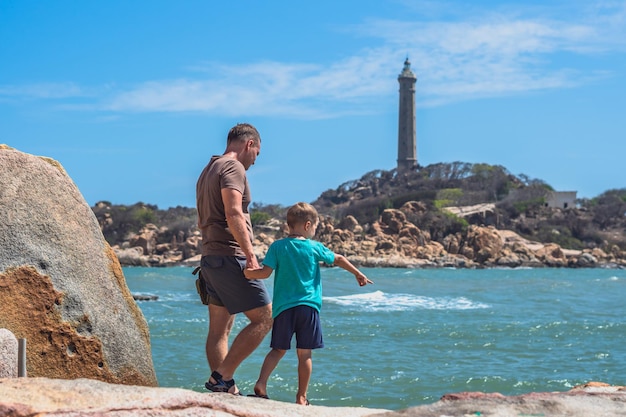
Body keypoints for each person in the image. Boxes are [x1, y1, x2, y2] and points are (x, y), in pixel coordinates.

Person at [244, 202, 373, 405]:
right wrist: (358, 273)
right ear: (307, 225)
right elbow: (337, 258)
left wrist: (247, 273)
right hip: (308, 308)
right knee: (305, 354)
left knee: (278, 349)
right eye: (315, 227)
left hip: (283, 309)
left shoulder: (278, 247)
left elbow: (264, 273)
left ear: (289, 225)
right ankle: (301, 397)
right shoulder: (314, 247)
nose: (315, 230)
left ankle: (261, 383)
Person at [196, 123, 273, 395]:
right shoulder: (233, 167)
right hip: (230, 256)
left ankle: (226, 389)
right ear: (249, 144)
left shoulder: (208, 169)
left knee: (220, 329)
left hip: (210, 258)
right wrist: (250, 255)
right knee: (264, 318)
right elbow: (233, 212)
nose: (255, 160)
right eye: (257, 153)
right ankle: (222, 377)